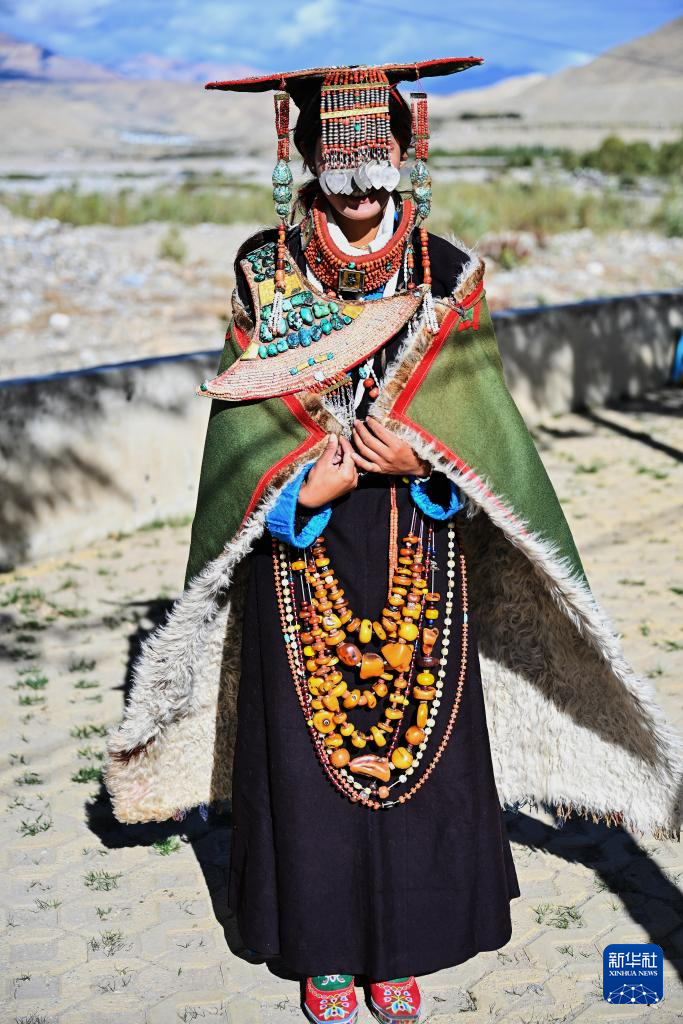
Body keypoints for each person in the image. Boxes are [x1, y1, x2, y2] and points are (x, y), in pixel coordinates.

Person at [103, 59, 683, 1024]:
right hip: (302, 547)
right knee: (307, 752)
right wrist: (304, 486)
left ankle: (402, 947)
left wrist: (428, 460)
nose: (359, 179)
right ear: (306, 156)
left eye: (375, 154)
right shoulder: (263, 269)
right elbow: (240, 426)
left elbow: (481, 417)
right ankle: (324, 950)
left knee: (421, 739)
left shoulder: (447, 273)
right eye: (338, 155)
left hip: (420, 534)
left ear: (404, 154)